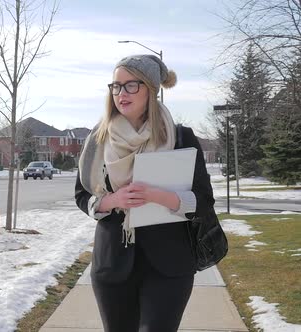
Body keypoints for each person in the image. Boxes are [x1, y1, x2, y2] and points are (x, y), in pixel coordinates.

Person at [75, 54, 215, 332]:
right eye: (115, 86)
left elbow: (203, 200)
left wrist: (162, 197)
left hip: (169, 265)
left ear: (151, 89)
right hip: (113, 263)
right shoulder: (98, 139)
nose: (120, 93)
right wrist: (112, 201)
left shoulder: (181, 137)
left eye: (130, 85)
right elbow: (82, 195)